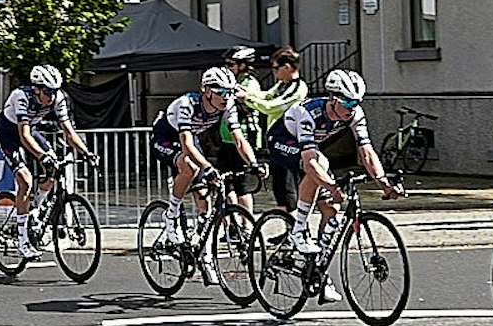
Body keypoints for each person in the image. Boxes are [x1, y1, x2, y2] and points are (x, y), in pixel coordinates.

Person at [264, 71, 402, 290]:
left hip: (312, 148)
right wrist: (331, 185)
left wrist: (383, 182)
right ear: (332, 98)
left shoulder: (354, 113)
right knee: (320, 164)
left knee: (330, 208)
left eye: (357, 102)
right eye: (347, 102)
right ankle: (298, 230)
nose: (352, 107)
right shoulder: (307, 113)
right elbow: (310, 163)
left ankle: (318, 272)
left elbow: (366, 152)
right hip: (282, 142)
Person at [151, 68, 257, 269]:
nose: (226, 97)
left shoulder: (229, 105)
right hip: (166, 138)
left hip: (192, 140)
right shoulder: (187, 104)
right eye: (222, 92)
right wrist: (207, 167)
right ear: (207, 91)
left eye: (230, 92)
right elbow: (187, 146)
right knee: (190, 167)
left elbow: (238, 139)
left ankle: (204, 254)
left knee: (204, 202)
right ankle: (171, 213)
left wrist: (254, 164)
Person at [0, 64, 93, 260]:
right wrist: (42, 156)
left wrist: (86, 152)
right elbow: (23, 136)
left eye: (55, 91)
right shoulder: (20, 97)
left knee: (54, 167)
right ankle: (23, 241)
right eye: (48, 92)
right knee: (25, 180)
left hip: (31, 131)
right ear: (37, 89)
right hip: (9, 134)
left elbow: (68, 132)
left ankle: (35, 209)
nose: (52, 96)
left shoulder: (58, 99)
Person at [245, 47, 308, 209]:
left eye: (275, 68)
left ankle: (294, 228)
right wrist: (245, 92)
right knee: (278, 186)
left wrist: (247, 99)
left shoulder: (298, 89)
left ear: (287, 67)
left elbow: (271, 107)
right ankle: (287, 226)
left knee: (288, 186)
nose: (273, 72)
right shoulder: (282, 84)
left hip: (290, 141)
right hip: (276, 140)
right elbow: (266, 95)